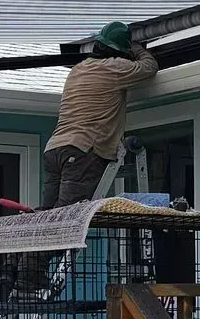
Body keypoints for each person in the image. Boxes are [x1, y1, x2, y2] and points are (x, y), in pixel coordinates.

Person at [39, 21, 160, 208]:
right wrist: (136, 47)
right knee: (69, 217)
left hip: (54, 149)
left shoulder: (77, 69)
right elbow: (149, 67)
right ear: (120, 51)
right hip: (83, 149)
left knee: (47, 215)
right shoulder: (115, 67)